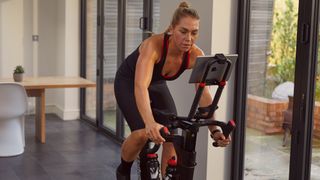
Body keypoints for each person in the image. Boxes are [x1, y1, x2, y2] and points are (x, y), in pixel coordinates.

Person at [114, 1, 231, 179]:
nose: (189, 38)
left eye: (194, 32)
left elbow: (203, 94)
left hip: (157, 84)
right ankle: (123, 170)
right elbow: (140, 86)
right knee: (141, 134)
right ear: (171, 29)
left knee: (171, 134)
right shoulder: (153, 45)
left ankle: (167, 176)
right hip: (129, 82)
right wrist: (150, 122)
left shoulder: (195, 55)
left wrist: (215, 130)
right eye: (183, 31)